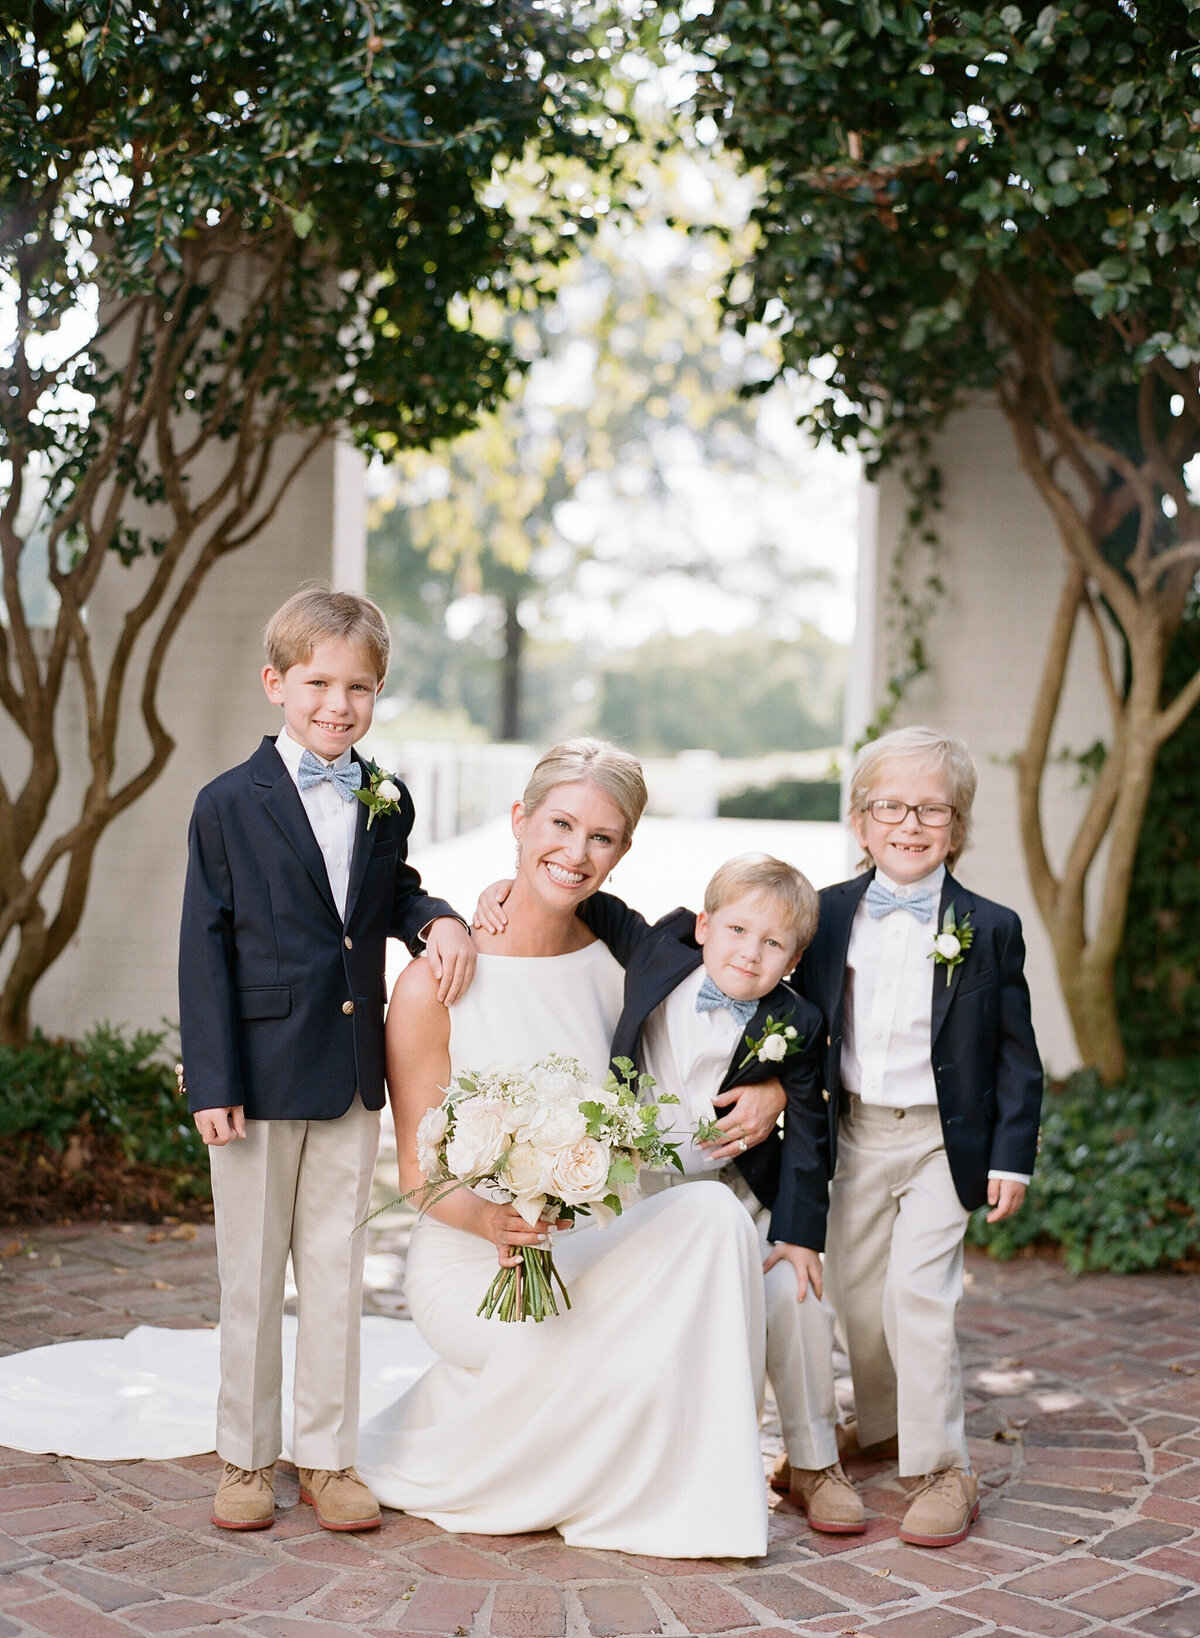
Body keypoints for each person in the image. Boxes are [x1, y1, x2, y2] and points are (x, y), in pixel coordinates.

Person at [356, 738, 769, 1559]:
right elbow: (417, 1173)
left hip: (595, 1240)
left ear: (623, 851)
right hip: (478, 1263)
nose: (576, 853)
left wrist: (775, 1084)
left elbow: (749, 991)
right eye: (560, 824)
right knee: (664, 1269)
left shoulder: (627, 962)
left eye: (603, 837)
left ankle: (705, 1493)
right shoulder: (433, 980)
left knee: (715, 1219)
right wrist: (492, 1222)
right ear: (518, 819)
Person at [178, 586, 475, 1534]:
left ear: (378, 692)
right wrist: (213, 1078)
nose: (337, 705)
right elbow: (203, 943)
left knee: (338, 1272)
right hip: (256, 1079)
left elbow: (394, 895)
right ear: (277, 684)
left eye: (359, 687)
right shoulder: (227, 803)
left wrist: (438, 919)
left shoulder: (387, 797)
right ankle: (245, 1455)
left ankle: (330, 1457)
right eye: (318, 684)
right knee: (252, 1277)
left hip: (351, 1074)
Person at [791, 725, 1042, 1548]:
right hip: (855, 1132)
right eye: (890, 805)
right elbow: (751, 964)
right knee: (859, 1296)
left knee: (918, 1295)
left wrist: (1012, 1154)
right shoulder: (823, 916)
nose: (910, 823)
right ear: (860, 822)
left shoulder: (989, 927)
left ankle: (946, 1467)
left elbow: (1015, 1053)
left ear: (958, 828)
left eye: (931, 809)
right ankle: (888, 1422)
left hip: (946, 1138)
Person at [579, 854, 863, 1534]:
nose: (750, 953)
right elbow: (592, 903)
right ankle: (648, 1459)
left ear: (793, 960)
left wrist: (799, 1234)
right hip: (642, 1181)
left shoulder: (796, 1019)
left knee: (794, 1292)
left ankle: (815, 1463)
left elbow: (809, 1132)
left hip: (738, 1185)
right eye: (737, 930)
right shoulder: (658, 951)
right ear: (704, 926)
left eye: (774, 945)